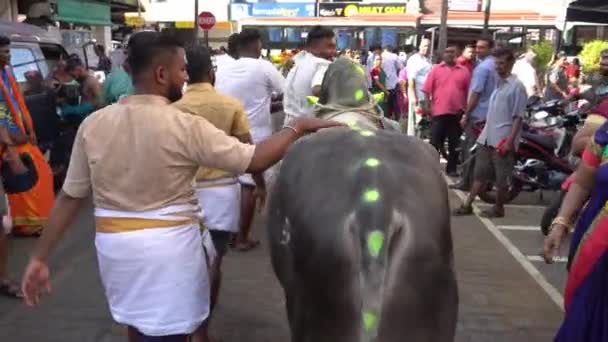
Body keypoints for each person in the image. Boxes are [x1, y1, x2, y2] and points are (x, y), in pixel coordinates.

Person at [20, 32, 341, 342]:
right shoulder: (183, 125)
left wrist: (39, 258)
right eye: (182, 69)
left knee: (137, 325)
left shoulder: (94, 123)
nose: (186, 76)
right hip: (168, 251)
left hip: (114, 248)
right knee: (169, 333)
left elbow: (69, 196)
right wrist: (298, 126)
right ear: (162, 74)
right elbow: (255, 159)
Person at [173, 45, 259, 341]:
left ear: (185, 77)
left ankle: (185, 325)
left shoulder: (173, 109)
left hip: (183, 195)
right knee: (213, 261)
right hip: (222, 195)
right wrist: (260, 184)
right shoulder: (230, 105)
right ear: (212, 73)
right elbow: (250, 152)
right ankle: (201, 331)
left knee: (185, 263)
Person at [215, 28, 285, 251]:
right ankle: (242, 237)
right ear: (256, 45)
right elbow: (286, 91)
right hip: (255, 136)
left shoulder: (225, 69)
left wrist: (265, 102)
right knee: (250, 186)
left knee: (231, 184)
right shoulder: (263, 67)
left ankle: (227, 232)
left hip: (225, 133)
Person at [453, 47, 527, 218]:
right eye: (496, 64)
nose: (498, 67)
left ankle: (499, 208)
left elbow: (518, 117)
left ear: (511, 64)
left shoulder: (517, 87)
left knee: (501, 179)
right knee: (479, 174)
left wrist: (509, 141)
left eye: (502, 63)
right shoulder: (499, 84)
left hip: (502, 140)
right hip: (487, 137)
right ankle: (467, 204)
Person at [0, 36, 54, 237]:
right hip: (7, 137)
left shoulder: (5, 72)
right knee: (25, 177)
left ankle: (29, 221)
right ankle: (26, 223)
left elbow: (15, 102)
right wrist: (11, 139)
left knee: (35, 174)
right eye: (4, 52)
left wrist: (28, 130)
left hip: (17, 132)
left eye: (9, 51)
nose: (9, 55)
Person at [451, 37, 499, 191]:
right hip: (491, 114)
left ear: (491, 49)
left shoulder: (483, 68)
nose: (478, 50)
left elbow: (476, 93)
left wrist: (466, 113)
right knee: (486, 150)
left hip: (478, 115)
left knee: (470, 148)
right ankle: (484, 182)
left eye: (482, 48)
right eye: (477, 47)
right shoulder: (496, 65)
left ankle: (467, 181)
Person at [421, 45, 471, 176]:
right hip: (439, 112)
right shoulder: (436, 69)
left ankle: (452, 169)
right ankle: (431, 168)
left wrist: (466, 112)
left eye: (452, 52)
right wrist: (427, 105)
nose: (449, 54)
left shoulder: (464, 71)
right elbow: (427, 89)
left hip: (456, 113)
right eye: (446, 52)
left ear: (457, 54)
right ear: (443, 54)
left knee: (455, 143)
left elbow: (469, 93)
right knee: (434, 143)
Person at [283, 25, 336, 123]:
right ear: (314, 48)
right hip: (309, 128)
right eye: (329, 47)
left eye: (334, 47)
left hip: (289, 125)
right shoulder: (323, 64)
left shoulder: (298, 61)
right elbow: (317, 89)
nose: (334, 51)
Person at [406, 38, 432, 135]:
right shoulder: (414, 59)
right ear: (420, 46)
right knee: (415, 124)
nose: (427, 48)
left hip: (426, 97)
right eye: (425, 45)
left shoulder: (427, 60)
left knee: (423, 126)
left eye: (428, 46)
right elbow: (411, 81)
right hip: (417, 96)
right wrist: (413, 98)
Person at [381, 45, 403, 120]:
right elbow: (401, 67)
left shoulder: (380, 56)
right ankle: (397, 118)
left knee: (385, 102)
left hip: (383, 82)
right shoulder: (394, 56)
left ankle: (385, 117)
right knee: (395, 102)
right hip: (393, 82)